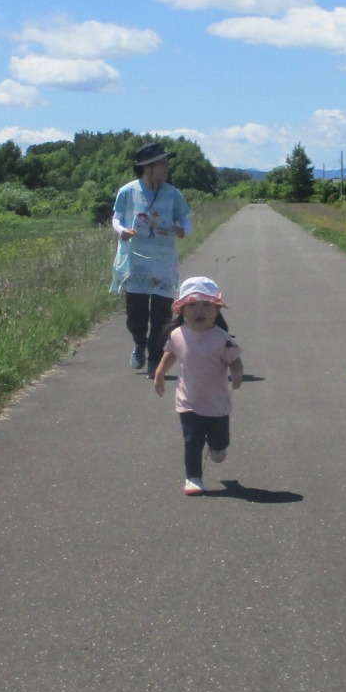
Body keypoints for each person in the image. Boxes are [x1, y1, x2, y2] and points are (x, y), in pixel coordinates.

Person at [151, 276, 244, 496]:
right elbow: (170, 354)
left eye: (206, 305)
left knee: (220, 442)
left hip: (217, 404)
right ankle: (193, 478)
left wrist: (237, 374)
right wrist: (160, 374)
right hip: (188, 402)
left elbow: (235, 361)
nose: (198, 311)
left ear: (217, 310)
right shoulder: (177, 334)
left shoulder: (222, 339)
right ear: (181, 310)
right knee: (191, 441)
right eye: (191, 305)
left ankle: (217, 446)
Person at [111, 141, 193, 373]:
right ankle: (139, 341)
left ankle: (154, 358)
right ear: (147, 167)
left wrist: (183, 230)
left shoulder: (173, 194)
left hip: (163, 261)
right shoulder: (127, 191)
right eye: (162, 164)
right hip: (135, 261)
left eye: (166, 163)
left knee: (161, 315)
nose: (166, 168)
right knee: (135, 315)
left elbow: (186, 220)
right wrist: (121, 231)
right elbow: (116, 218)